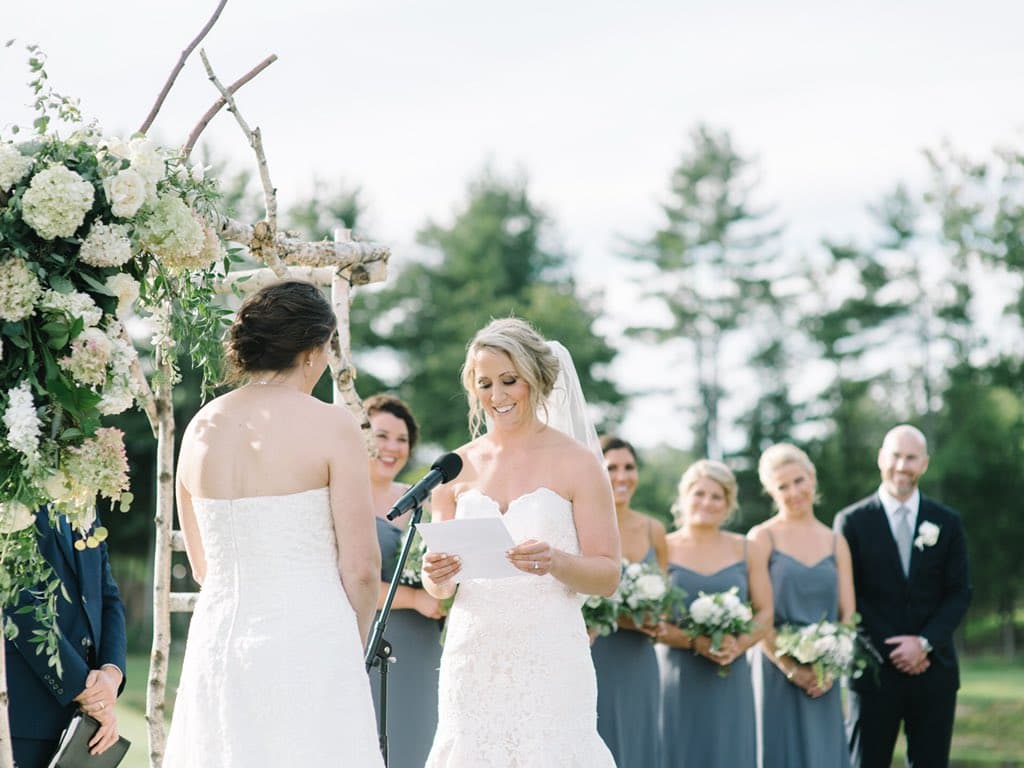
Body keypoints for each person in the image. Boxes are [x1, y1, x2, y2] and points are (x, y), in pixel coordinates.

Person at [164, 280, 383, 768]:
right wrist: (354, 640)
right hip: (311, 642)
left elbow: (204, 567)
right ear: (310, 352)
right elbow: (363, 567)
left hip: (217, 641)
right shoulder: (332, 424)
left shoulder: (202, 426)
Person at [421, 317, 619, 767]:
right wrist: (437, 576)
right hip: (472, 656)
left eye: (509, 381)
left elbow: (607, 575)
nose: (497, 396)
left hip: (549, 654)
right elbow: (440, 589)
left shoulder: (579, 463)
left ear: (536, 378)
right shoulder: (455, 466)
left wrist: (555, 561)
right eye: (484, 383)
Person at [833, 425, 971, 768]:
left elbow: (959, 592)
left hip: (934, 671)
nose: (902, 466)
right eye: (895, 456)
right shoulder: (850, 522)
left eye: (911, 458)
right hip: (873, 672)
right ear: (881, 458)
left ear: (924, 464)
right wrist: (897, 649)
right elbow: (850, 597)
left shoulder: (947, 522)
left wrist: (923, 643)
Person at [654, 459, 771, 768]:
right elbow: (654, 622)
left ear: (728, 504)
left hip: (729, 676)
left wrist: (739, 643)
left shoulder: (746, 548)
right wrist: (695, 642)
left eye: (716, 496)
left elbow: (766, 612)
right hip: (678, 676)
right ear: (684, 497)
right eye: (699, 493)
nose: (707, 502)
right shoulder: (662, 548)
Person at [749, 443, 855, 768]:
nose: (794, 492)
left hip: (824, 677)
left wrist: (829, 668)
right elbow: (757, 614)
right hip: (774, 669)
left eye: (799, 480)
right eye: (783, 486)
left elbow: (848, 615)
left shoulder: (836, 541)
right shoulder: (761, 538)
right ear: (771, 491)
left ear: (812, 478)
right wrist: (791, 668)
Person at [5, 510, 127, 768]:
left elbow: (107, 596)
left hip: (84, 727)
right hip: (23, 720)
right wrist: (84, 689)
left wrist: (110, 676)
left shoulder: (83, 495)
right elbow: (16, 604)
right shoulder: (10, 486)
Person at [364, 393, 444, 768]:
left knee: (423, 740)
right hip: (371, 641)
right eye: (382, 436)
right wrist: (414, 599)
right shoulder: (345, 500)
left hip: (426, 644)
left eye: (402, 440)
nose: (393, 448)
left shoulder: (424, 504)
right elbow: (349, 584)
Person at [589, 435, 666, 767]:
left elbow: (664, 598)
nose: (622, 477)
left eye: (629, 467)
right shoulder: (583, 524)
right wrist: (621, 617)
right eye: (612, 468)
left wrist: (657, 619)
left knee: (640, 742)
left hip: (640, 660)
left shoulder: (655, 530)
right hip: (594, 653)